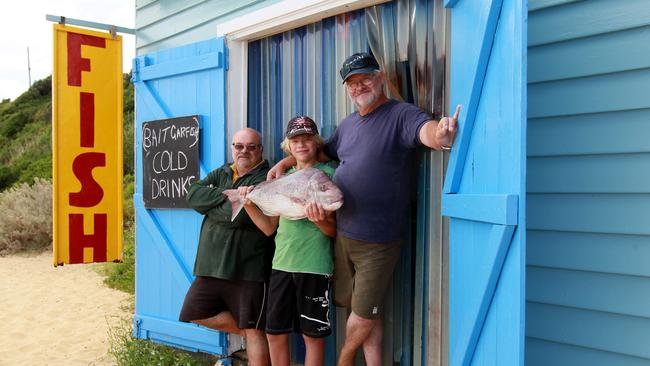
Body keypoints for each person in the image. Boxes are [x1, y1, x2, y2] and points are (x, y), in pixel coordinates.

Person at [267, 53, 460, 366]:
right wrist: (286, 161)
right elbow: (317, 150)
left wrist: (440, 135)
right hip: (344, 234)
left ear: (380, 78)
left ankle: (344, 360)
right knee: (366, 309)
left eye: (365, 79)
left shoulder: (401, 114)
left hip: (379, 239)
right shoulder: (348, 125)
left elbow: (426, 131)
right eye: (352, 83)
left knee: (362, 311)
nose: (359, 87)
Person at [239, 116, 337, 366]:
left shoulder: (329, 174)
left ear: (316, 143)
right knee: (275, 333)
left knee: (312, 336)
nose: (301, 145)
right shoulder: (281, 178)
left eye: (307, 139)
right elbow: (269, 228)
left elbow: (333, 231)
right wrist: (247, 204)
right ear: (288, 146)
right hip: (281, 264)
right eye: (295, 140)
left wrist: (318, 219)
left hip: (314, 266)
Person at [179, 128, 274, 366]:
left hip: (248, 268)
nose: (244, 151)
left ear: (260, 150)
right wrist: (229, 197)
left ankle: (251, 332)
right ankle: (248, 331)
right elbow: (193, 195)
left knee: (253, 329)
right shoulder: (222, 171)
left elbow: (239, 218)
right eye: (239, 146)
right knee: (193, 312)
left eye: (251, 147)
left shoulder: (265, 177)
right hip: (210, 265)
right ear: (232, 148)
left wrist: (213, 204)